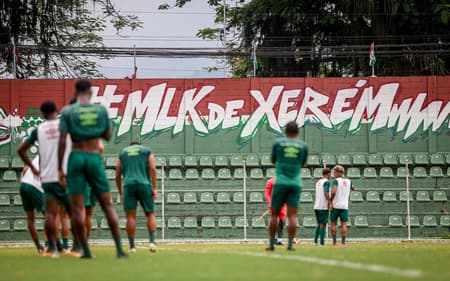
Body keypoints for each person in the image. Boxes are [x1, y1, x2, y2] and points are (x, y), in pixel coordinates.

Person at [58, 79, 127, 259]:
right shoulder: (100, 110)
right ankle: (119, 250)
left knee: (77, 208)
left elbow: (63, 141)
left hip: (76, 156)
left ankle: (86, 251)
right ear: (90, 92)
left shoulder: (67, 111)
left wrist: (59, 169)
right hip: (94, 156)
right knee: (107, 204)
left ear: (75, 92)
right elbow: (107, 136)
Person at [17, 101, 72, 258]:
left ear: (42, 113)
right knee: (59, 215)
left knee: (41, 217)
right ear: (57, 111)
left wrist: (33, 168)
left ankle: (44, 248)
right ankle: (60, 246)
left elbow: (22, 156)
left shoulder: (39, 130)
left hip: (30, 182)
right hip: (54, 179)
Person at [266, 121, 308, 251]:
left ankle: (272, 245)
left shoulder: (278, 143)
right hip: (295, 183)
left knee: (274, 215)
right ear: (297, 132)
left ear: (285, 132)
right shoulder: (302, 146)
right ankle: (290, 245)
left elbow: (273, 160)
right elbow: (303, 163)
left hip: (281, 182)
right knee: (292, 216)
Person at [116, 141, 158, 253]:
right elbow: (152, 168)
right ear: (139, 145)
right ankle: (152, 242)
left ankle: (132, 247)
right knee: (150, 213)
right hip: (144, 184)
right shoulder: (146, 150)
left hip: (128, 185)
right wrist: (154, 188)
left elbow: (117, 173)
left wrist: (120, 193)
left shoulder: (123, 153)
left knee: (130, 217)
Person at [19, 156, 45, 253]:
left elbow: (25, 169)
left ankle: (39, 247)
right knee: (50, 216)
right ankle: (53, 245)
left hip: (23, 184)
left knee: (30, 219)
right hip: (35, 187)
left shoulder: (38, 156)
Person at [330, 165, 355, 247]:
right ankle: (343, 243)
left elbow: (333, 191)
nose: (334, 173)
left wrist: (330, 200)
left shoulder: (335, 181)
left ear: (338, 173)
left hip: (336, 205)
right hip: (344, 206)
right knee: (344, 224)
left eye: (335, 172)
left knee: (333, 223)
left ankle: (334, 242)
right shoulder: (348, 181)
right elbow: (353, 188)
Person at [264, 177, 287, 245]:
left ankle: (279, 240)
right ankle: (272, 238)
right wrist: (270, 203)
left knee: (281, 222)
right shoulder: (270, 182)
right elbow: (266, 193)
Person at [313, 168, 331, 246]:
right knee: (323, 224)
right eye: (330, 174)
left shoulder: (318, 182)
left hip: (317, 206)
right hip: (323, 206)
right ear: (328, 174)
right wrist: (330, 202)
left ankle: (315, 242)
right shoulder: (326, 182)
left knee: (319, 224)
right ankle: (322, 243)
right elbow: (326, 192)